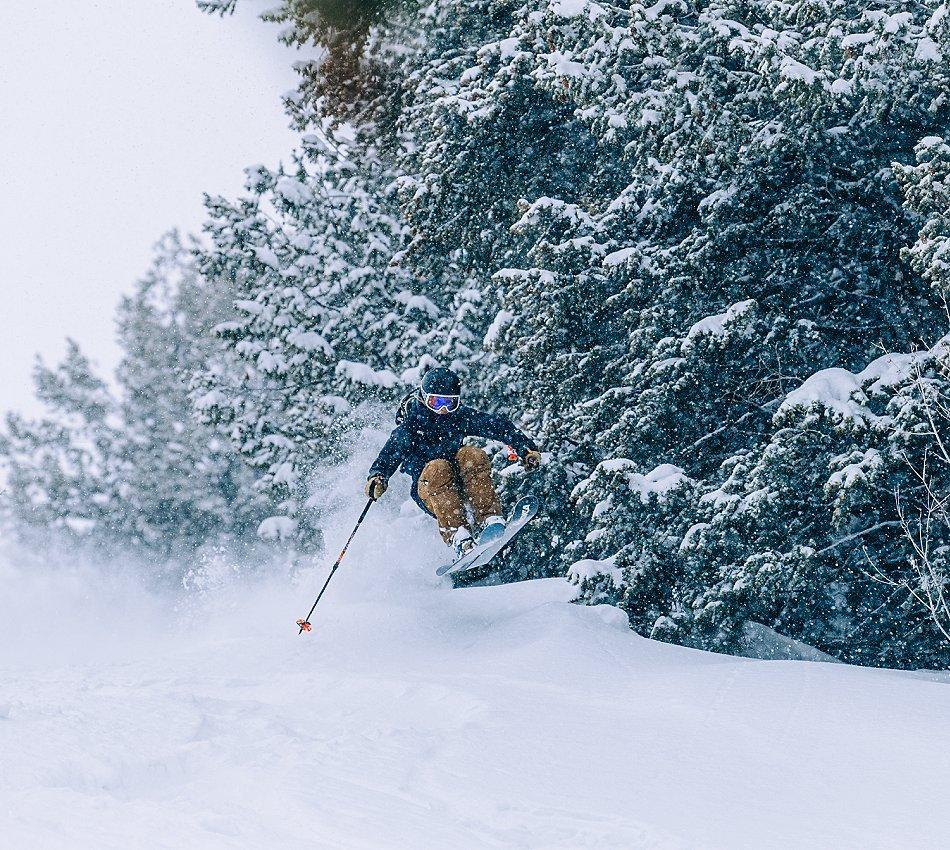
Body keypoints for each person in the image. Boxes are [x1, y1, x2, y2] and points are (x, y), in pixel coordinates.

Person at [365, 367, 541, 558]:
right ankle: (458, 535)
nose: (442, 410)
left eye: (449, 403)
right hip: (429, 490)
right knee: (437, 468)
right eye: (436, 402)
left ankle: (489, 518)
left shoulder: (458, 417)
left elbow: (497, 426)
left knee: (472, 455)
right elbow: (389, 454)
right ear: (424, 398)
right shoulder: (411, 426)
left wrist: (525, 449)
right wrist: (378, 477)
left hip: (460, 482)